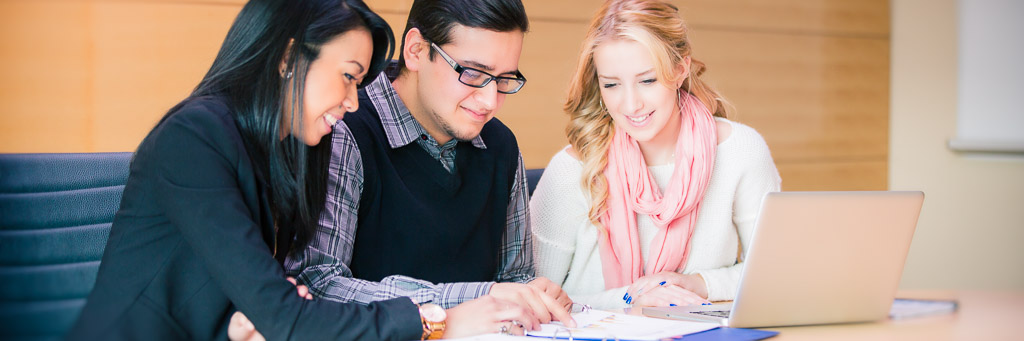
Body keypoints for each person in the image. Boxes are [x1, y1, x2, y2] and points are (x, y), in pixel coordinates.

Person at [67, 0, 535, 339]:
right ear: (290, 58)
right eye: (349, 76)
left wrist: (243, 321)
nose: (353, 101)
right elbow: (289, 315)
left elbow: (268, 303)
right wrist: (440, 320)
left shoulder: (284, 147)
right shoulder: (193, 138)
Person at [284, 0, 576, 329]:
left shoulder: (501, 146)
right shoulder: (343, 130)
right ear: (417, 50)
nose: (490, 100)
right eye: (473, 73)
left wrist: (532, 295)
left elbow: (514, 279)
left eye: (505, 79)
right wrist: (471, 301)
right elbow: (318, 283)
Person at [530, 0, 782, 310]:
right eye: (611, 85)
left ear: (680, 69)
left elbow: (776, 272)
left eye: (647, 80)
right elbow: (534, 296)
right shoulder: (571, 169)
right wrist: (632, 299)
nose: (631, 104)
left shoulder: (740, 151)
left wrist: (698, 284)